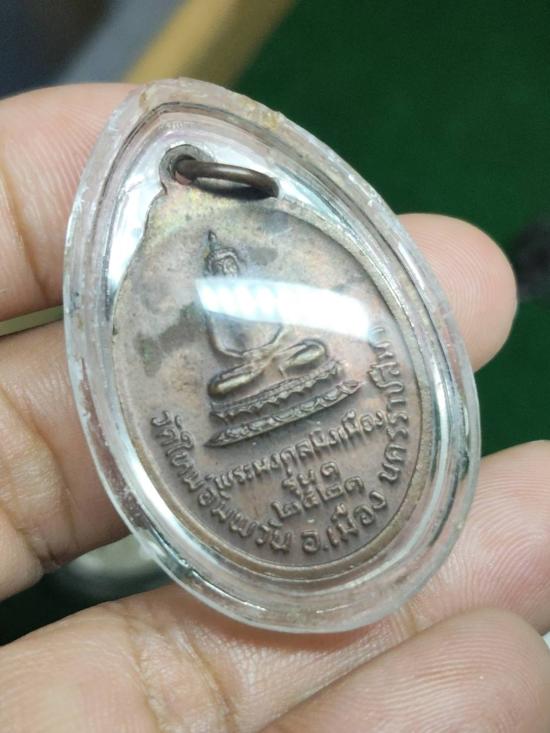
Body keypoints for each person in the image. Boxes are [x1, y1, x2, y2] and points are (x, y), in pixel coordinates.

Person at [0, 84, 549, 732]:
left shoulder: (262, 279)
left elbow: (288, 332)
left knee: (310, 352)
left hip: (288, 359)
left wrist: (277, 345)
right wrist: (245, 348)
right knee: (229, 384)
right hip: (247, 379)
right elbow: (228, 350)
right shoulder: (206, 292)